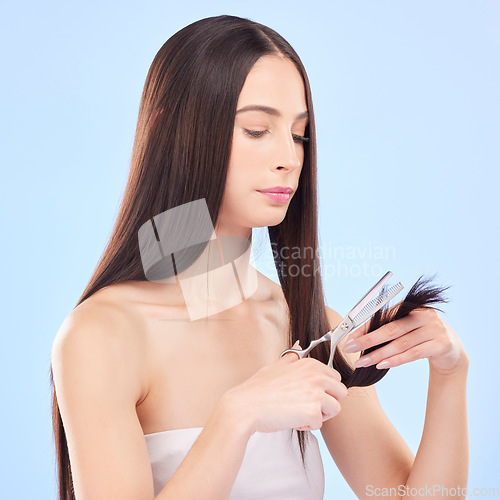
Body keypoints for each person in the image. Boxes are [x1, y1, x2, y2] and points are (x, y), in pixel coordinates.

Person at [50, 14, 469, 500]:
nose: (289, 157)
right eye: (255, 129)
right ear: (173, 130)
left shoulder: (309, 329)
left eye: (298, 134)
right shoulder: (101, 336)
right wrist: (238, 415)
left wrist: (450, 372)